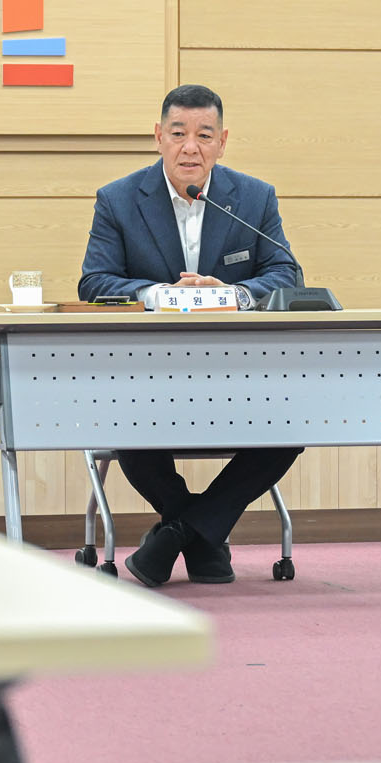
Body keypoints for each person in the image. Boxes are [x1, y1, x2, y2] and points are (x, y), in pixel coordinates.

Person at [78, 84, 306, 588]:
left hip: (237, 372)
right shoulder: (118, 199)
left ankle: (178, 532)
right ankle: (204, 536)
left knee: (292, 426)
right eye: (178, 133)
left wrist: (233, 293)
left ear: (222, 142)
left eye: (204, 135)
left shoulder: (253, 198)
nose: (190, 148)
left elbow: (286, 273)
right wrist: (159, 294)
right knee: (127, 425)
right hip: (147, 373)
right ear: (158, 137)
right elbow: (94, 282)